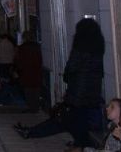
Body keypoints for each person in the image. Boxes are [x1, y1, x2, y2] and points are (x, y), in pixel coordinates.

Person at [14, 18, 105, 149]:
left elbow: (71, 69)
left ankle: (31, 132)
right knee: (77, 121)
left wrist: (68, 78)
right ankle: (81, 144)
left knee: (62, 120)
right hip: (92, 94)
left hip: (77, 94)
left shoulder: (80, 48)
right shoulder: (97, 50)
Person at [14, 30, 42, 112]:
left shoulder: (22, 48)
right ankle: (36, 107)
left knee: (28, 90)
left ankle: (31, 107)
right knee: (36, 89)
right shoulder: (37, 47)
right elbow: (39, 59)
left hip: (26, 72)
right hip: (36, 71)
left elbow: (19, 61)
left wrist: (18, 69)